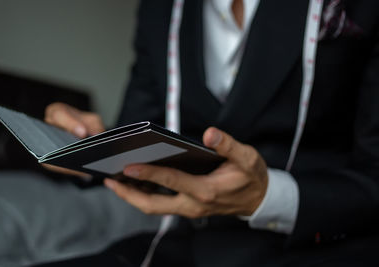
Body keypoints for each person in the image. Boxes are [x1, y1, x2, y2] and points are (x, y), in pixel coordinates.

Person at [41, 0, 379, 266]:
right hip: (189, 246)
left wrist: (271, 197)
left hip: (327, 247)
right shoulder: (160, 8)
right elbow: (140, 137)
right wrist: (83, 145)